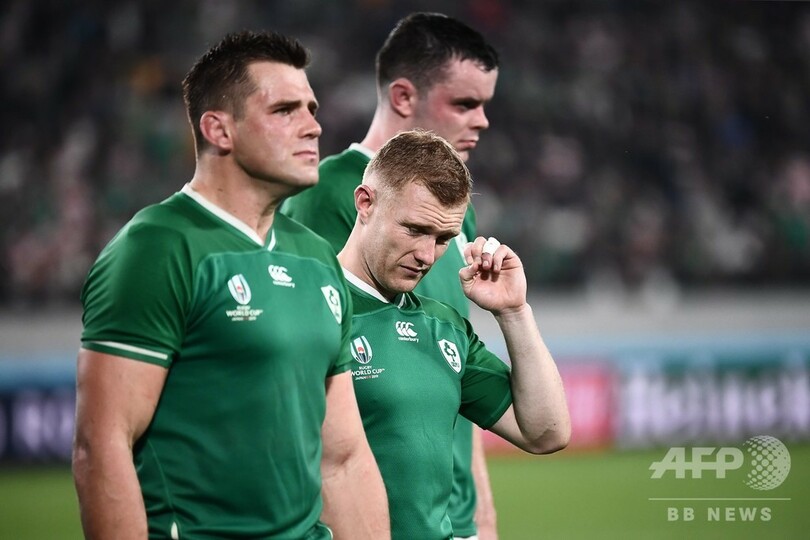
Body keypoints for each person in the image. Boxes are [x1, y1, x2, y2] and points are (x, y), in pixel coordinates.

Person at [72, 30, 389, 539]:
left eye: (311, 109)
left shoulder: (316, 258)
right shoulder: (156, 248)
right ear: (219, 130)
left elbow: (344, 458)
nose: (313, 126)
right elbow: (101, 447)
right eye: (285, 110)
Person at [282, 12, 501, 539]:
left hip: (451, 521)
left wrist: (482, 514)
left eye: (484, 105)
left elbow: (452, 366)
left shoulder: (455, 211)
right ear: (403, 96)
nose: (482, 121)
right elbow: (305, 388)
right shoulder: (324, 195)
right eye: (465, 103)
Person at [337, 129, 570, 539]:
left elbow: (546, 432)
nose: (427, 256)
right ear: (365, 203)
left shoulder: (443, 326)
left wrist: (514, 312)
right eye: (415, 229)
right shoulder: (313, 309)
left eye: (443, 239)